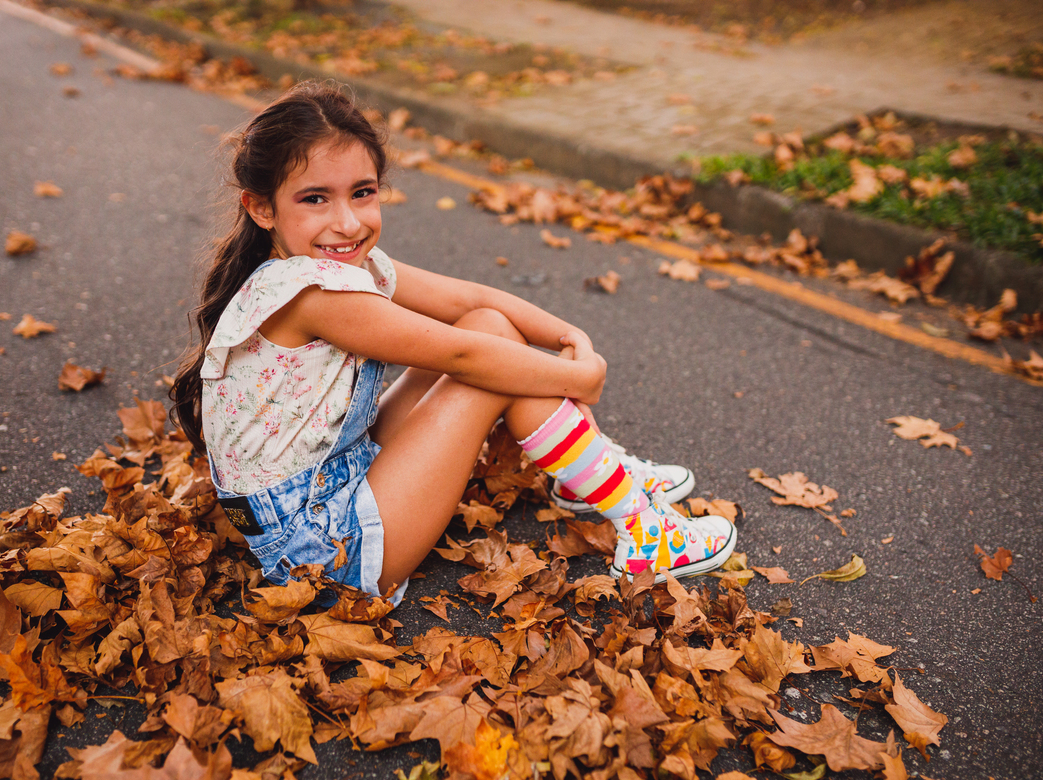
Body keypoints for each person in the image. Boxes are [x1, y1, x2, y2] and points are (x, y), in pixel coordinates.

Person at [169, 82, 736, 606]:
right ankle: (643, 529)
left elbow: (470, 303)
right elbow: (461, 357)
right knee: (491, 366)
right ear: (261, 207)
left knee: (488, 326)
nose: (346, 222)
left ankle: (596, 475)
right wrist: (579, 376)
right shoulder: (312, 291)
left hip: (329, 482)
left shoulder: (325, 263)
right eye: (315, 199)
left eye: (362, 193)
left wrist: (567, 336)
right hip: (322, 553)